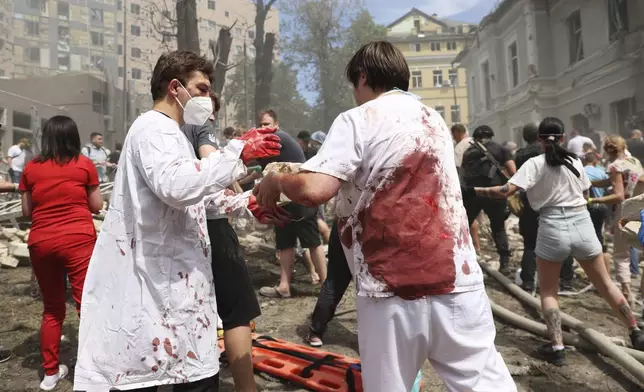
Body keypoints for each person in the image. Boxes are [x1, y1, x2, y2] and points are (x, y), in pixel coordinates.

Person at [254, 41, 516, 391]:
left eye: (354, 85)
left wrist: (276, 179)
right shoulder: (433, 119)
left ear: (363, 76)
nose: (354, 94)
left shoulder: (360, 118)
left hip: (391, 289)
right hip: (458, 284)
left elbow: (315, 189)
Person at [73, 51, 281, 391]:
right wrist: (236, 152)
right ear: (174, 87)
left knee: (190, 372)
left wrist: (246, 203)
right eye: (200, 89)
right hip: (157, 286)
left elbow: (197, 198)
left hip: (178, 289)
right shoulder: (153, 129)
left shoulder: (175, 134)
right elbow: (176, 186)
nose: (208, 99)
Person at [465, 117, 644, 366]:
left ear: (540, 139)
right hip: (582, 224)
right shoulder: (575, 161)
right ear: (562, 138)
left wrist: (472, 190)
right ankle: (635, 331)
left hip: (552, 226)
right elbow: (585, 192)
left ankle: (557, 346)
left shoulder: (534, 164)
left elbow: (504, 192)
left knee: (549, 291)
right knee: (605, 284)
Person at [181, 96, 287, 392]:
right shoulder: (199, 128)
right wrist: (245, 192)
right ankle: (245, 388)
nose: (211, 117)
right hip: (210, 231)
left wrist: (244, 197)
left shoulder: (160, 132)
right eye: (200, 90)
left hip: (179, 236)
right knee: (236, 312)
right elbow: (209, 184)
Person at [19, 116, 103, 390]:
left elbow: (26, 212)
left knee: (52, 310)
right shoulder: (84, 164)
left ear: (46, 138)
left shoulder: (31, 168)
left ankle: (50, 374)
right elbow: (96, 205)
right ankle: (95, 369)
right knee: (85, 305)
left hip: (42, 242)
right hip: (78, 239)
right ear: (74, 138)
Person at [257, 109, 327, 297]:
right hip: (286, 199)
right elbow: (263, 170)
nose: (263, 128)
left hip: (300, 196)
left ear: (276, 124)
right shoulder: (271, 141)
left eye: (267, 124)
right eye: (261, 124)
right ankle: (284, 286)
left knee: (312, 241)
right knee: (285, 242)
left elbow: (260, 167)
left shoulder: (277, 138)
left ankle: (327, 285)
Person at [588, 135, 644, 305]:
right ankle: (640, 291)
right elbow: (613, 181)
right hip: (641, 208)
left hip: (625, 211)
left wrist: (592, 200)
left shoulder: (614, 166)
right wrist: (592, 183)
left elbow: (618, 194)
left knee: (621, 254)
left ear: (606, 150)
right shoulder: (633, 162)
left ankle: (627, 293)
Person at [461, 125, 516, 272]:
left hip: (473, 194)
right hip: (495, 193)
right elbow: (513, 171)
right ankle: (505, 263)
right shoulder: (500, 149)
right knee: (498, 227)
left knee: (465, 226)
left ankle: (464, 259)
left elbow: (463, 175)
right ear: (491, 135)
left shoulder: (468, 152)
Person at [451, 123, 480, 251]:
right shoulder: (476, 142)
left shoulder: (459, 147)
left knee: (469, 216)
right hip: (485, 184)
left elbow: (456, 170)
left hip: (467, 186)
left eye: (453, 135)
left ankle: (474, 246)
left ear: (457, 133)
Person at [583, 152, 611, 273]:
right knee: (598, 234)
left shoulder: (581, 170)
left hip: (585, 207)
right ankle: (599, 264)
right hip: (600, 206)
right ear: (595, 162)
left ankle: (588, 263)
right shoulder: (601, 172)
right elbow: (608, 190)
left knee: (585, 234)